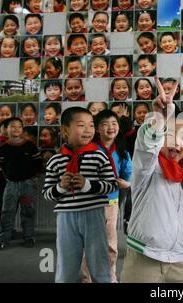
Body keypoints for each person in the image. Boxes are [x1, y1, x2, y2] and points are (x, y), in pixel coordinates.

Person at [121, 78, 183, 283]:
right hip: (143, 258)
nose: (176, 142)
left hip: (180, 260)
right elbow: (146, 146)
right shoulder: (148, 167)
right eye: (170, 134)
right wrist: (158, 118)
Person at [42, 107, 117, 282]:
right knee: (66, 264)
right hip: (65, 218)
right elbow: (47, 194)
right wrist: (60, 187)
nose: (88, 130)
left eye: (91, 125)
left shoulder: (99, 157)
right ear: (65, 130)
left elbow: (111, 185)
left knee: (99, 262)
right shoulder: (55, 160)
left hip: (95, 216)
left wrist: (88, 185)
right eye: (81, 125)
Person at [81, 110, 132, 283]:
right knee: (88, 244)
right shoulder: (88, 149)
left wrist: (126, 184)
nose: (110, 127)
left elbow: (128, 175)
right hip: (90, 202)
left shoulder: (122, 151)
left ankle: (110, 277)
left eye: (114, 123)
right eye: (105, 124)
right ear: (97, 129)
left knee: (111, 244)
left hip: (111, 202)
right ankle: (85, 278)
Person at [0, 117, 42, 250]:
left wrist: (35, 177)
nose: (16, 129)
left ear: (22, 129)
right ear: (6, 129)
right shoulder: (2, 148)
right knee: (7, 212)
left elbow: (38, 163)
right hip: (11, 185)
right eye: (12, 126)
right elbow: (1, 165)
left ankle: (29, 237)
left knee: (28, 211)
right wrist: (9, 177)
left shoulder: (30, 145)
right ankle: (3, 239)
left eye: (19, 126)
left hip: (28, 184)